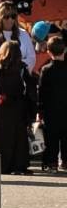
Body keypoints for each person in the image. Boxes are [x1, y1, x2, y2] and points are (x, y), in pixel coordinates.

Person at [0, 40, 37, 175]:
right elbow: (30, 90)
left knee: (1, 137)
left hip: (0, 105)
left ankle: (2, 165)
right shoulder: (22, 68)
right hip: (18, 106)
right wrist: (32, 111)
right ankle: (19, 165)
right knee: (19, 136)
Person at [38, 36, 67, 173]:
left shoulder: (46, 70)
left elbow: (41, 92)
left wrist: (40, 110)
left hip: (51, 109)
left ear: (48, 51)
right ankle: (65, 162)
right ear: (65, 50)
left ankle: (52, 163)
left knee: (51, 137)